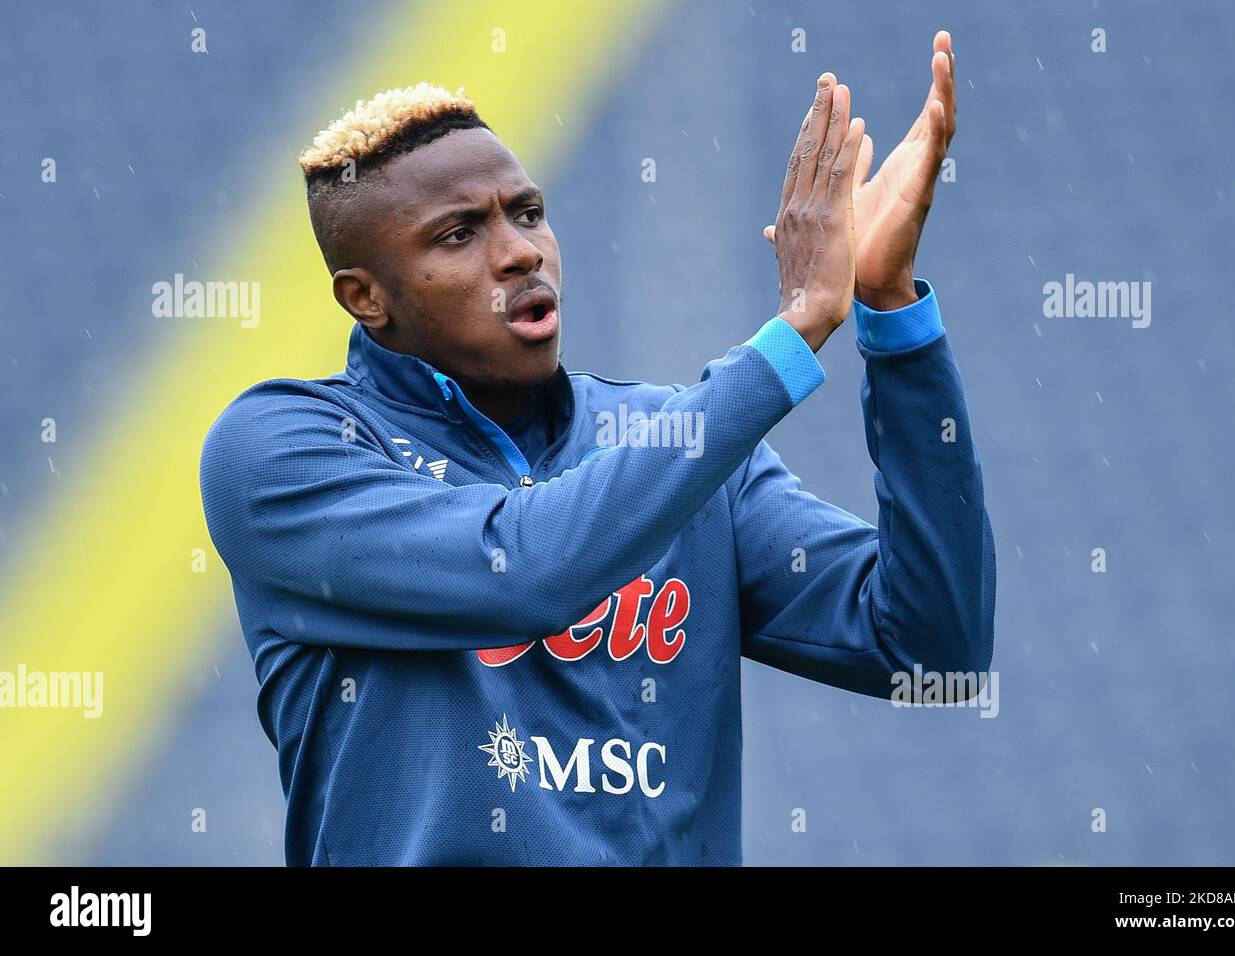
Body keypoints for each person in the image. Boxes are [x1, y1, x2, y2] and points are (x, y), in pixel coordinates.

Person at [198, 30, 994, 865]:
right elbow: (527, 569)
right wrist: (791, 336)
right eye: (459, 235)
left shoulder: (673, 448)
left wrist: (891, 314)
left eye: (528, 213)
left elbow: (931, 648)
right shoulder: (284, 452)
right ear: (366, 297)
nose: (520, 252)